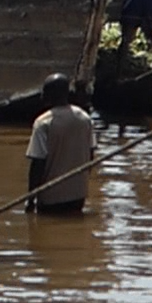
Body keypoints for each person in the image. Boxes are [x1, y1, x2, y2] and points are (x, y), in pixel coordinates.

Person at [25, 74, 95, 215]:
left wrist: (30, 198)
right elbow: (90, 155)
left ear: (49, 94)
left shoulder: (43, 123)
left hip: (51, 199)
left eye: (44, 91)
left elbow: (38, 163)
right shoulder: (84, 118)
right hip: (78, 196)